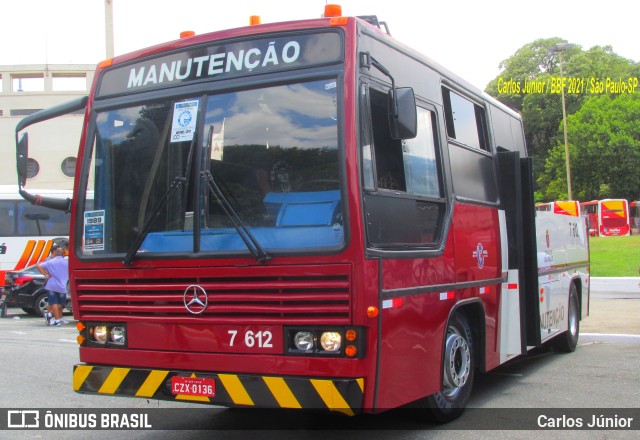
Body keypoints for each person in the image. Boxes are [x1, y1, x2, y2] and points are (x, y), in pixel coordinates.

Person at [37, 243, 69, 326]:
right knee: (61, 304)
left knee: (53, 302)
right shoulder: (67, 262)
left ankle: (55, 319)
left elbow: (38, 265)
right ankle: (52, 316)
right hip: (62, 286)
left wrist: (46, 274)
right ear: (63, 254)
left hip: (51, 285)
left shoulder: (50, 261)